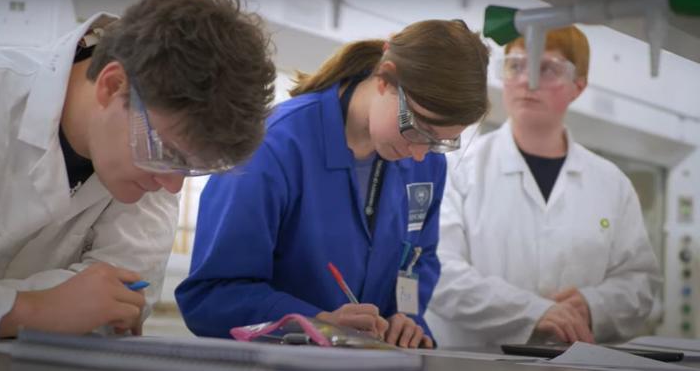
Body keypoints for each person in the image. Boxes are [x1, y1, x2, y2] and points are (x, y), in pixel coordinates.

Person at [0, 0, 275, 341]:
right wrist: (26, 309)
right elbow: (72, 312)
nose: (172, 186)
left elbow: (116, 311)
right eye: (169, 152)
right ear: (112, 86)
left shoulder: (151, 169)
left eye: (191, 168)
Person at [176, 19, 489, 349]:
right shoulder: (272, 147)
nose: (422, 154)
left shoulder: (425, 164)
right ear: (385, 77)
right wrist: (315, 321)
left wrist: (406, 320)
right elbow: (209, 297)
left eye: (441, 142)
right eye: (418, 128)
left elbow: (417, 261)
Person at [426, 26, 661, 346]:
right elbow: (439, 269)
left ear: (578, 86)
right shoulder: (458, 168)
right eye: (516, 66)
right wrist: (533, 312)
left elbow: (640, 282)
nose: (527, 81)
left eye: (547, 68)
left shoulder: (611, 184)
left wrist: (595, 306)